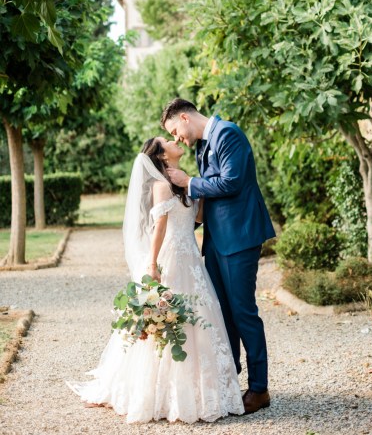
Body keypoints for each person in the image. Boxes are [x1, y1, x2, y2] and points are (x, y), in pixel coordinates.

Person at [67, 137, 244, 423]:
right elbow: (158, 227)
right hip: (171, 258)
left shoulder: (183, 183)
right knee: (170, 319)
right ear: (161, 155)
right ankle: (165, 394)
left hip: (191, 261)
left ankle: (205, 391)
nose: (176, 141)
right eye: (168, 141)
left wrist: (196, 186)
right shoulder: (161, 187)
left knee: (200, 318)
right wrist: (152, 265)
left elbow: (199, 216)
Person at [161, 98, 276, 415]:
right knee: (222, 314)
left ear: (184, 117)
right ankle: (229, 383)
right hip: (215, 240)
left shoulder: (228, 133)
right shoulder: (202, 144)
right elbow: (210, 194)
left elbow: (232, 181)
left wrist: (189, 182)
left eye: (175, 130)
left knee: (243, 312)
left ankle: (259, 388)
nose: (177, 139)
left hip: (239, 237)